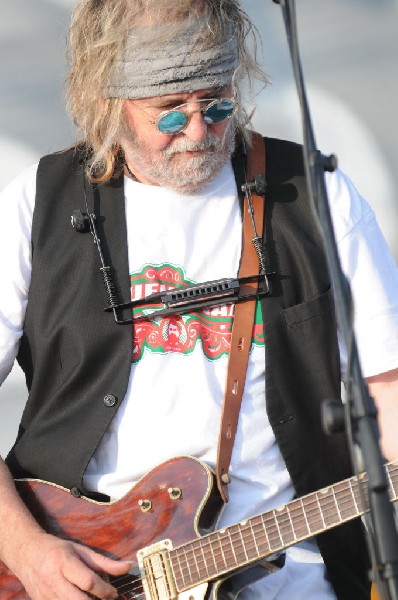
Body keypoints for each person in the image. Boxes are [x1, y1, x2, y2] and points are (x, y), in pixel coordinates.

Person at [0, 0, 397, 598]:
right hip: (82, 572)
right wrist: (28, 553)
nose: (198, 130)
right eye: (169, 113)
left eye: (217, 104)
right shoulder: (40, 204)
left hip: (290, 575)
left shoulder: (316, 194)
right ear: (110, 103)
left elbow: (387, 391)